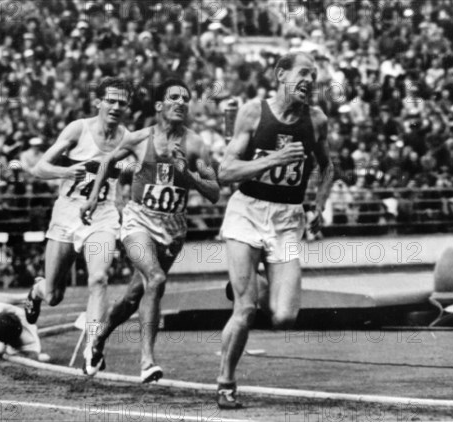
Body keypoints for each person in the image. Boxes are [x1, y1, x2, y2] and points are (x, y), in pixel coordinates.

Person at [79, 79, 220, 382]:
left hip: (173, 229)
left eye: (186, 97)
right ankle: (146, 362)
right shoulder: (140, 139)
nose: (181, 102)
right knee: (155, 278)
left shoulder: (195, 144)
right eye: (173, 97)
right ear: (159, 105)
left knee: (133, 296)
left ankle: (98, 339)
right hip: (138, 222)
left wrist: (190, 177)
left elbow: (214, 192)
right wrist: (92, 198)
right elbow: (105, 162)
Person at [216, 52, 333, 409]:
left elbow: (328, 169)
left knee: (285, 317)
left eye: (314, 75)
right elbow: (225, 171)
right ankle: (226, 382)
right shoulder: (254, 111)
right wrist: (272, 160)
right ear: (281, 75)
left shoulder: (316, 119)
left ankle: (257, 280)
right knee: (246, 308)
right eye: (303, 73)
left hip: (287, 220)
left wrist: (319, 205)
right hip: (247, 213)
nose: (310, 81)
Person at [23, 77, 133, 368]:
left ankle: (94, 345)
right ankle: (36, 291)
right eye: (110, 100)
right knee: (53, 295)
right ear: (97, 101)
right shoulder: (78, 129)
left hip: (103, 217)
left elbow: (127, 177)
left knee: (98, 279)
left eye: (122, 102)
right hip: (67, 215)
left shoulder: (127, 138)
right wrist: (67, 171)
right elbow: (39, 168)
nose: (116, 106)